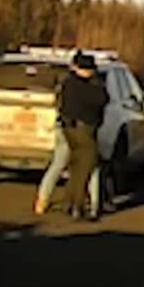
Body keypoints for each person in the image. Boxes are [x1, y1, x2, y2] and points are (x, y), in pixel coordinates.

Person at [56, 51, 108, 221]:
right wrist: (98, 83)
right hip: (84, 130)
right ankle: (77, 206)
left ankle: (68, 202)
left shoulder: (68, 84)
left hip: (68, 128)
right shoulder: (88, 87)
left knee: (75, 167)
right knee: (84, 169)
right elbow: (102, 99)